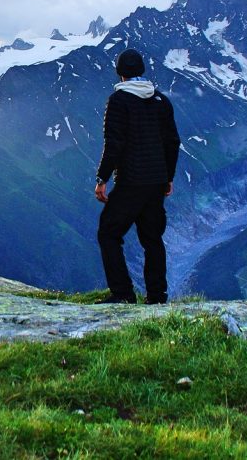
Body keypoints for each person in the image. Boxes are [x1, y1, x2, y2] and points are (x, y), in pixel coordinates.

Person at [94, 48, 180, 304]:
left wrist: (102, 179)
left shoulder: (118, 101)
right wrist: (168, 177)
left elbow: (114, 144)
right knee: (152, 239)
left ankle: (122, 294)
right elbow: (172, 142)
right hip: (156, 182)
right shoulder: (161, 101)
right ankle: (157, 296)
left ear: (120, 73)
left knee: (109, 233)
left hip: (131, 180)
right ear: (141, 71)